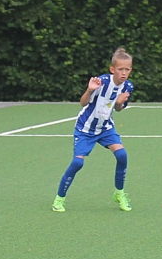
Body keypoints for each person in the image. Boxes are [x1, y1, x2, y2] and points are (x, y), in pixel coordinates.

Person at [53, 48, 134, 212]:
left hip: (105, 127)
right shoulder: (102, 81)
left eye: (127, 69)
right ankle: (59, 199)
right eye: (120, 69)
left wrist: (119, 102)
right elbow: (83, 103)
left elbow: (118, 108)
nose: (124, 73)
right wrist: (89, 90)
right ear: (112, 69)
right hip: (85, 128)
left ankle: (119, 193)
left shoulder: (128, 87)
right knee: (77, 163)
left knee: (122, 155)